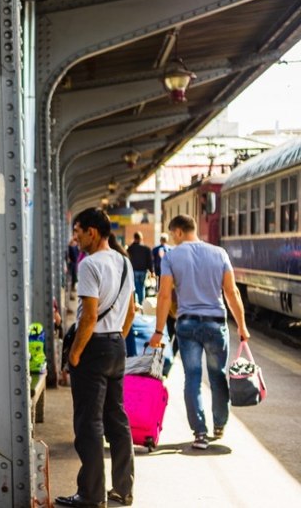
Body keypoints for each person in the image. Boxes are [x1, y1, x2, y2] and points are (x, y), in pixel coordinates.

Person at [55, 208, 135, 508]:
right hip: (115, 345)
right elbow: (130, 311)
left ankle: (91, 495)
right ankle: (123, 490)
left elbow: (88, 316)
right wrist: (117, 339)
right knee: (117, 419)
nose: (75, 237)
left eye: (79, 231)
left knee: (89, 424)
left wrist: (74, 354)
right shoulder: (124, 262)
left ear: (93, 232)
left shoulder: (90, 265)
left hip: (92, 347)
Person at [149, 214, 250, 450]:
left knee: (192, 378)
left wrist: (158, 331)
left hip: (187, 325)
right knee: (217, 375)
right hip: (216, 323)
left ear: (178, 232)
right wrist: (242, 326)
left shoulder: (171, 257)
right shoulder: (219, 253)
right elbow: (231, 292)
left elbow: (164, 296)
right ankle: (219, 425)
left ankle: (200, 434)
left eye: (173, 235)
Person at [126, 231, 153, 306]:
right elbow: (149, 261)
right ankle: (142, 304)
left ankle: (135, 304)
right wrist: (152, 271)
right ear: (141, 238)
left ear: (134, 238)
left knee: (134, 287)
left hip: (133, 270)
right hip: (143, 271)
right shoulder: (146, 249)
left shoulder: (130, 248)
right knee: (142, 287)